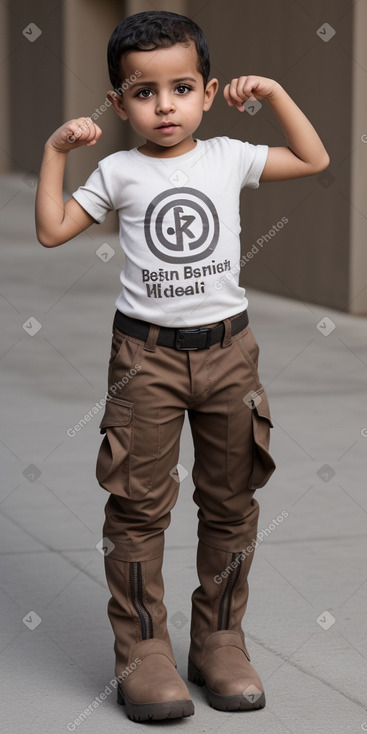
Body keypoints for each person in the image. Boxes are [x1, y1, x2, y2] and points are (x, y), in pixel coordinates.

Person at [35, 9, 329, 723]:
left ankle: (219, 641)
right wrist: (53, 151)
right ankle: (143, 653)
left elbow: (313, 159)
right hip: (145, 360)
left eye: (181, 87)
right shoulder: (116, 169)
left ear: (208, 91)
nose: (164, 106)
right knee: (137, 509)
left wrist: (277, 95)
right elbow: (50, 232)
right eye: (144, 92)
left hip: (229, 353)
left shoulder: (227, 155)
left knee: (231, 502)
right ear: (118, 102)